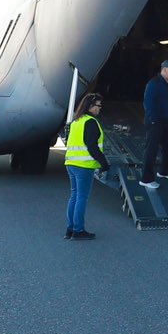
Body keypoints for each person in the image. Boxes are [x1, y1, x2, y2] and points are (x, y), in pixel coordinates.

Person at [63, 91, 110, 239]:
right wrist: (104, 163)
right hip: (84, 166)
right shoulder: (90, 122)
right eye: (98, 105)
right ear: (90, 106)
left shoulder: (76, 121)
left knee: (74, 196)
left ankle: (70, 229)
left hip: (71, 163)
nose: (99, 108)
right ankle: (78, 230)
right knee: (82, 197)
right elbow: (92, 147)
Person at [141, 58, 168, 189]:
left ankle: (165, 171)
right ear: (165, 69)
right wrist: (153, 119)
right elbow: (148, 102)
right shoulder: (154, 83)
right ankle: (146, 179)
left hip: (167, 121)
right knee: (151, 149)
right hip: (156, 121)